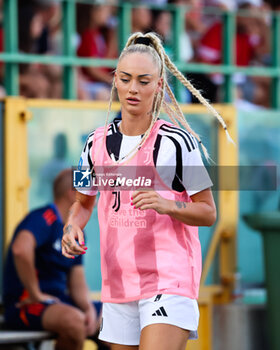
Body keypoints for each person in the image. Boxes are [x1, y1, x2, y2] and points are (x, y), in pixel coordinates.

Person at [62, 32, 233, 350]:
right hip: (118, 283)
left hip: (168, 280)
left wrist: (168, 205)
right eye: (126, 79)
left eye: (144, 81)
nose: (133, 89)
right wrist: (72, 226)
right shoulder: (94, 143)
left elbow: (208, 212)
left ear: (159, 86)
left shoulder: (176, 143)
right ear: (115, 80)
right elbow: (82, 203)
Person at [3, 169, 104, 350]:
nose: (95, 198)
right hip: (25, 304)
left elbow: (77, 280)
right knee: (74, 321)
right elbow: (20, 249)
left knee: (114, 316)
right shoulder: (43, 218)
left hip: (59, 302)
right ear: (73, 193)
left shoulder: (76, 231)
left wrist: (88, 307)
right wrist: (35, 293)